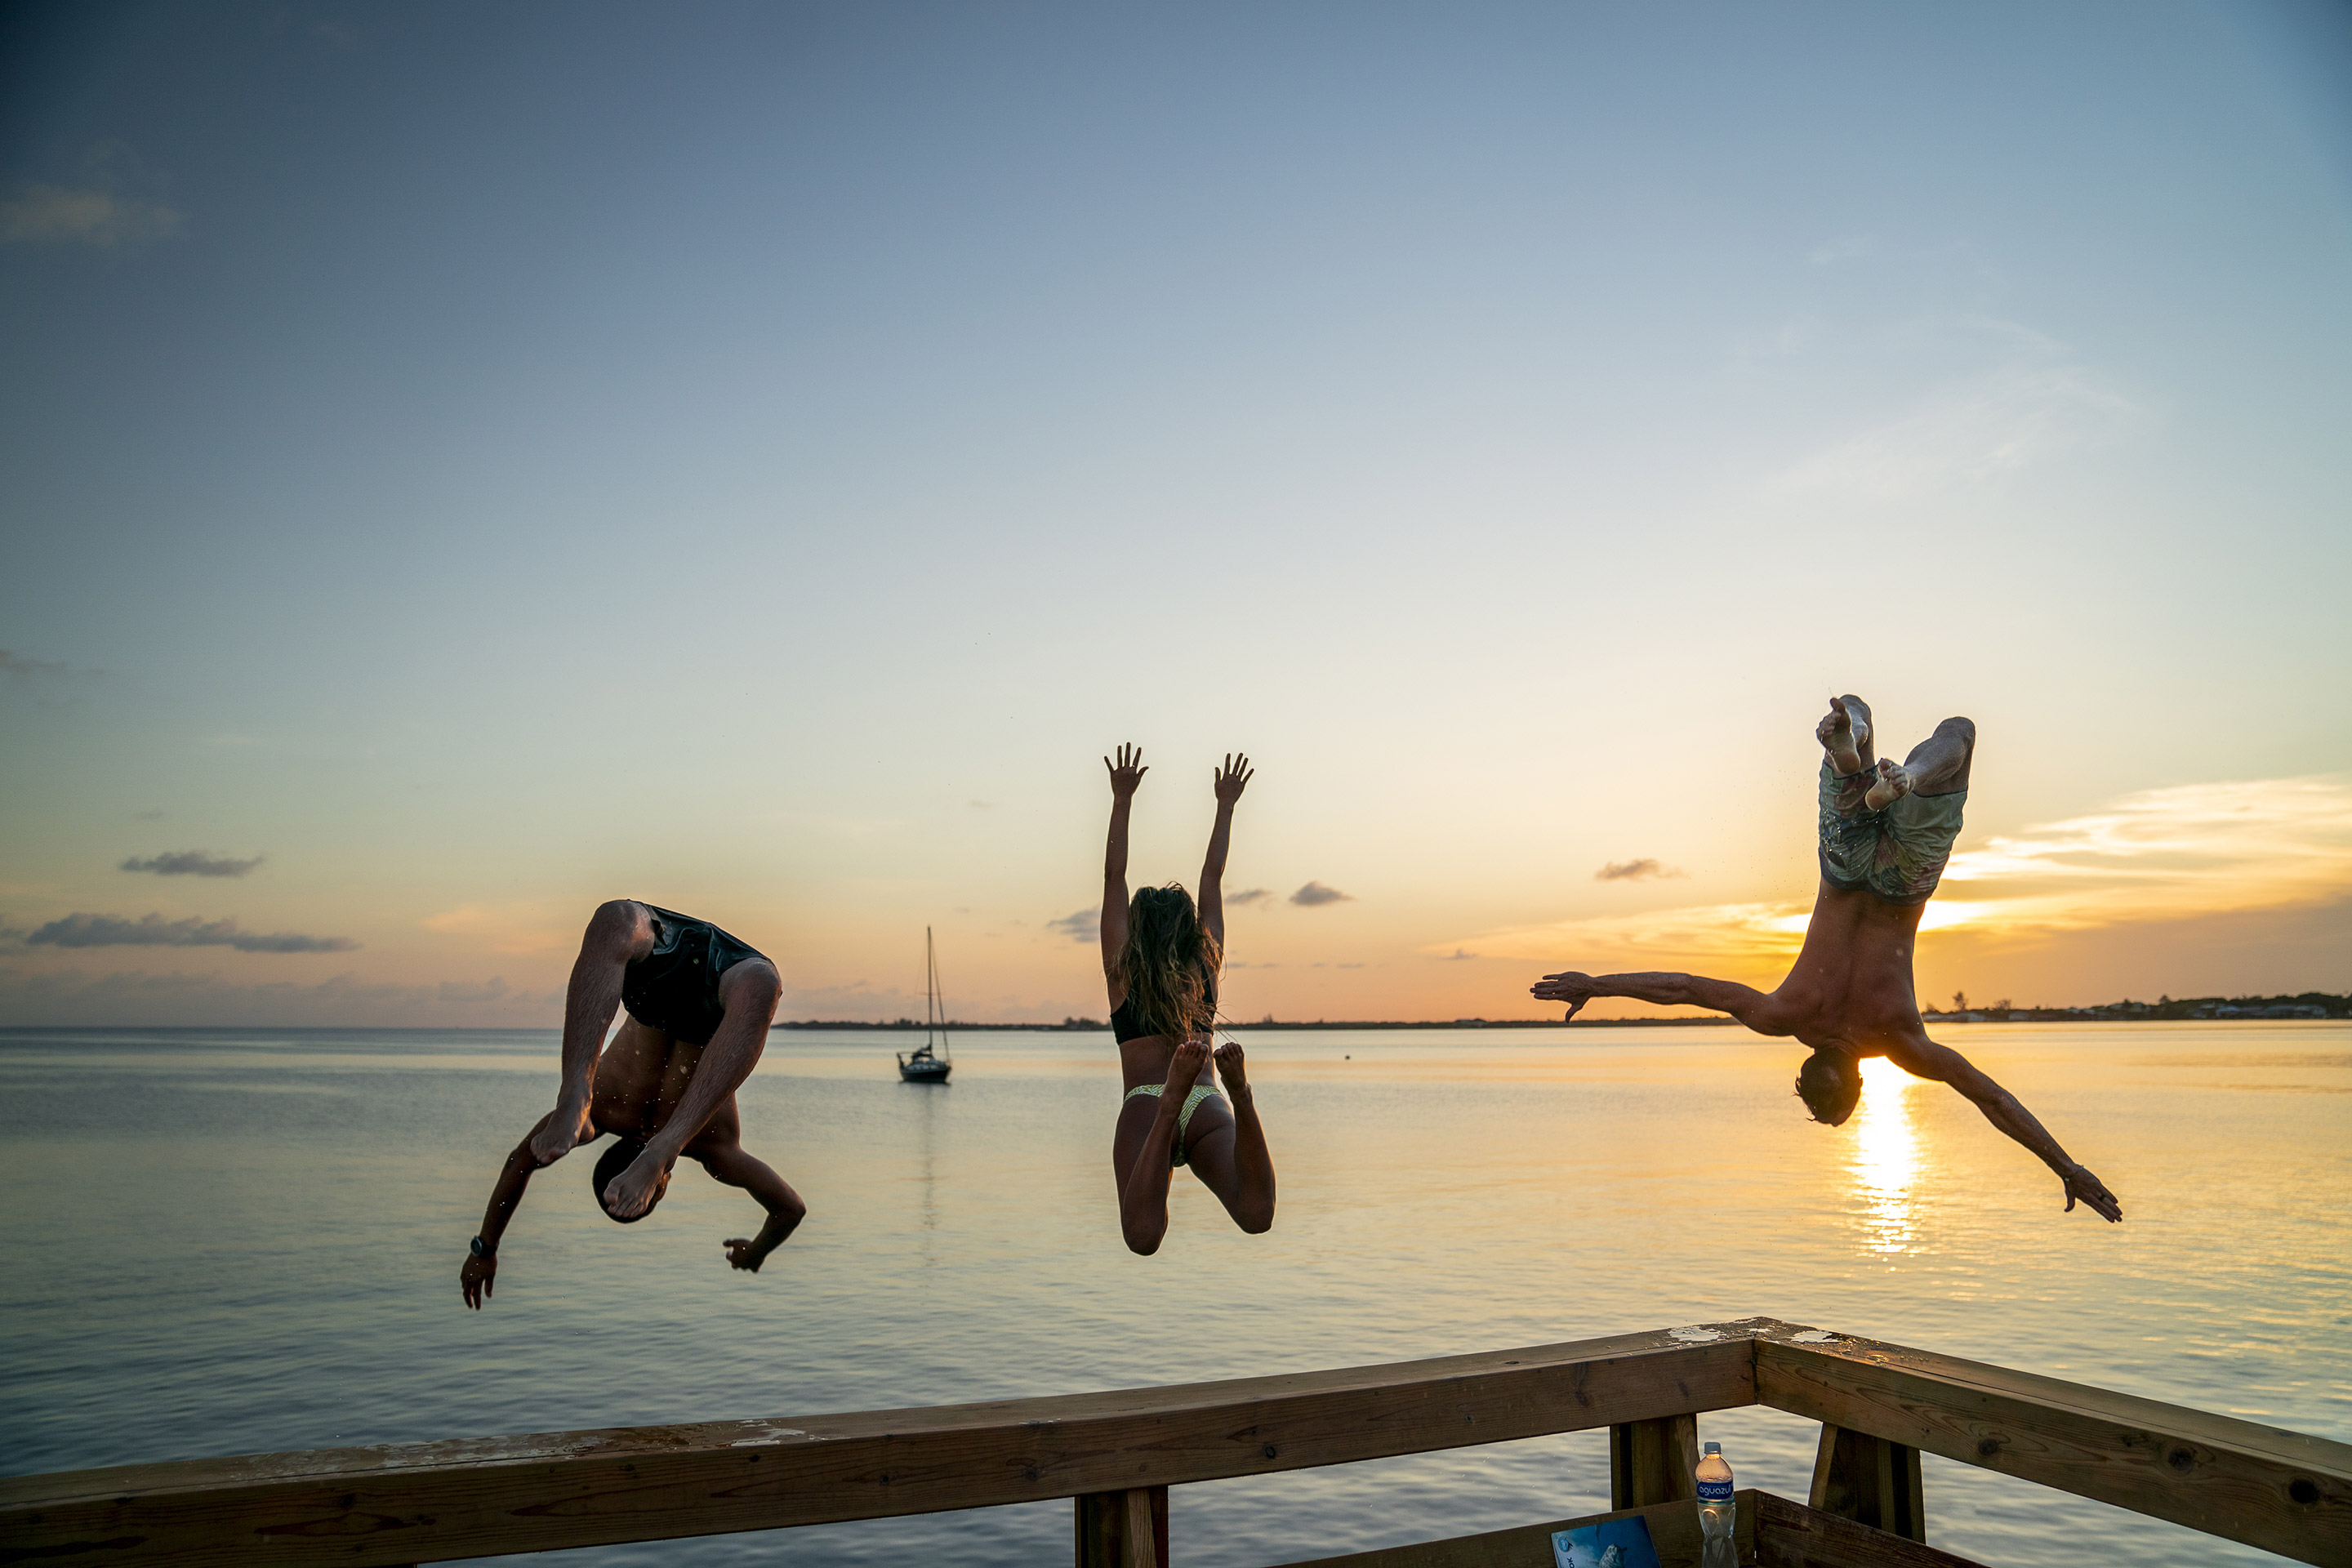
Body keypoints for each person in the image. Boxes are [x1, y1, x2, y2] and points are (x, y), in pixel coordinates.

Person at [1530, 697, 2123, 1223]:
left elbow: (1993, 1099)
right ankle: (1856, 749)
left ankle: (1909, 777)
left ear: (1861, 1081)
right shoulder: (1784, 1013)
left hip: (1905, 882)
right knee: (1861, 709)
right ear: (1806, 1068)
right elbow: (1684, 986)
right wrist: (1597, 984)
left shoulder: (1900, 1041)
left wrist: (2066, 1167)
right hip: (1841, 873)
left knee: (1959, 732)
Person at [458, 899, 805, 1307]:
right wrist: (485, 1247)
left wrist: (759, 1249)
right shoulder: (709, 1146)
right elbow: (522, 1161)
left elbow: (789, 1210)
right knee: (618, 920)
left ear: (662, 1185)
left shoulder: (708, 1148)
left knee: (759, 981)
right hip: (714, 992)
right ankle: (594, 1101)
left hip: (677, 988)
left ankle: (577, 1090)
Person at [1099, 744, 1278, 1254]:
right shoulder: (1207, 965)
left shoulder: (1123, 972)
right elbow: (1213, 878)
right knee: (1255, 1214)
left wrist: (1122, 799)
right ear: (1188, 931)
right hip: (1207, 1099)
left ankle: (1169, 1101)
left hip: (1147, 1105)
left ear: (1137, 932)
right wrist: (1226, 806)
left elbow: (1114, 878)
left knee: (1142, 1237)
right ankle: (1244, 1096)